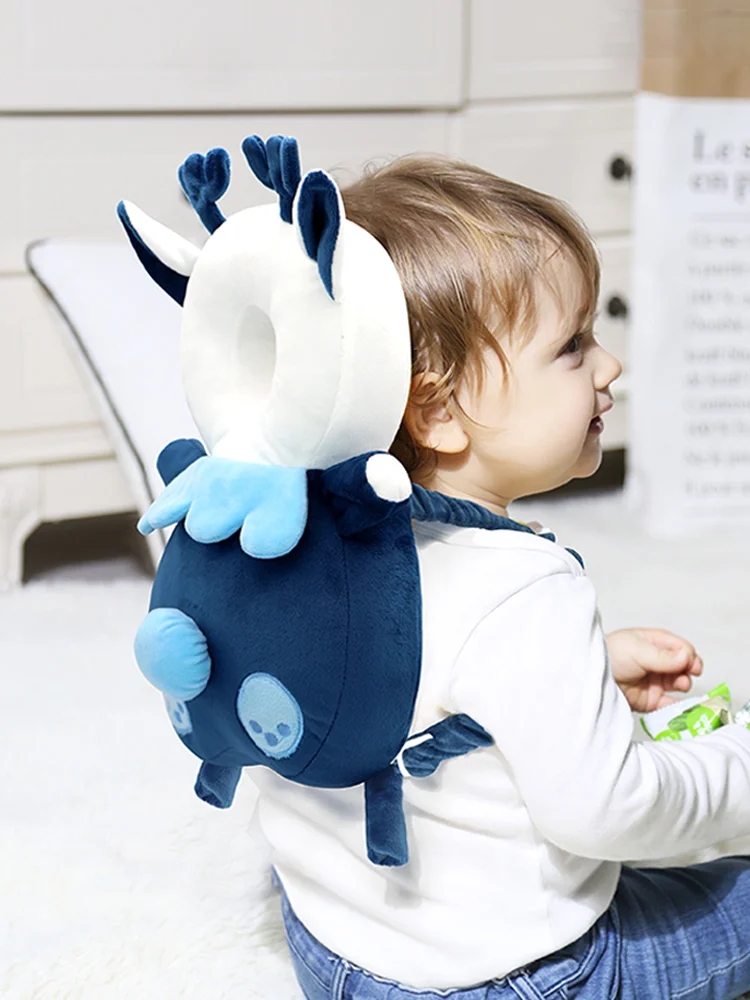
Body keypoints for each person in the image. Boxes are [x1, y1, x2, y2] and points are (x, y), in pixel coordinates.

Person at [248, 155, 750, 999]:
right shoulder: (523, 591)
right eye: (572, 346)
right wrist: (734, 767)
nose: (609, 367)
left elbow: (418, 685)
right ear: (439, 411)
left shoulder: (319, 537)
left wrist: (587, 672)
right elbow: (608, 811)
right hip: (512, 978)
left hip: (335, 946)